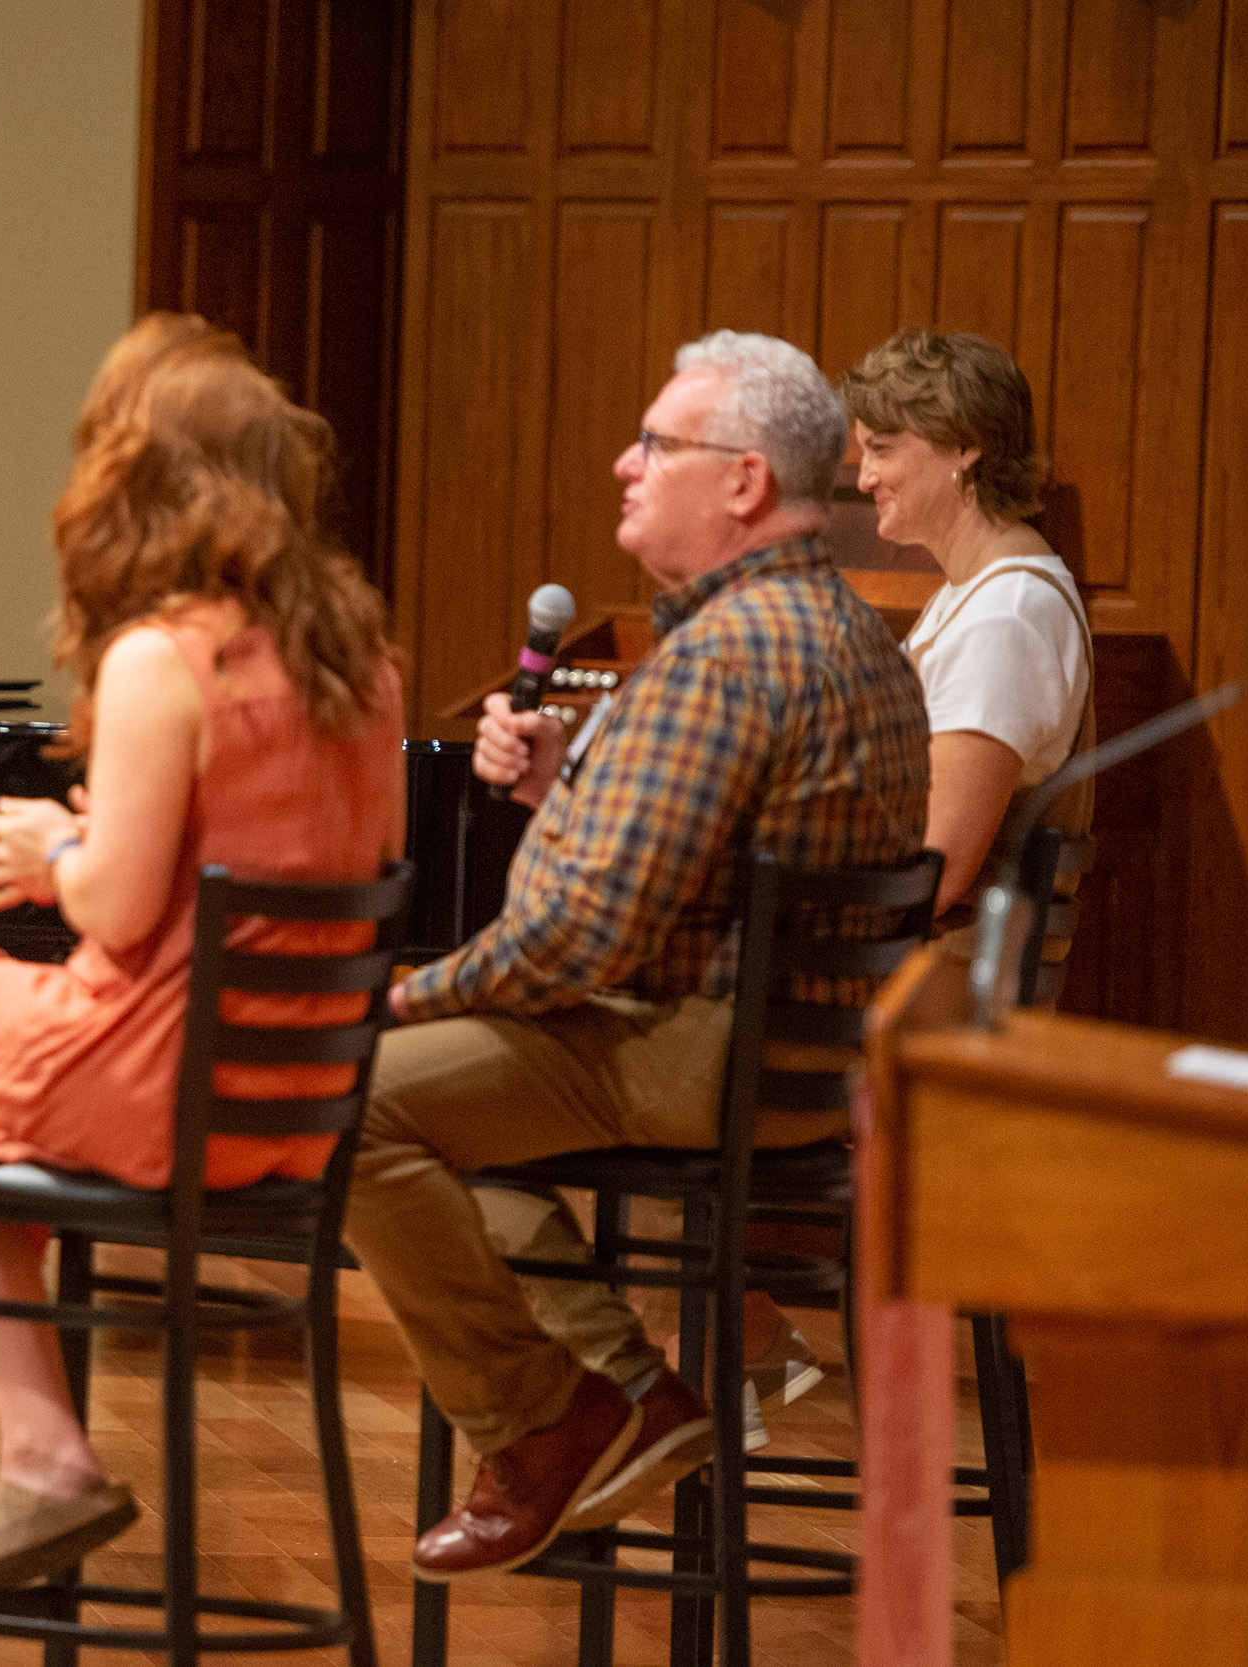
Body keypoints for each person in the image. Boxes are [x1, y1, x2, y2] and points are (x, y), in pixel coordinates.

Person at [0, 314, 406, 1594]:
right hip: (295, 1099)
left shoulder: (162, 658)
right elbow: (298, 868)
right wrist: (97, 837)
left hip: (156, 1081)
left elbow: (120, 913)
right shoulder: (365, 665)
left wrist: (55, 856)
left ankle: (21, 1410)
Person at [348, 331, 932, 1582]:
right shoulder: (847, 630)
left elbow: (579, 935)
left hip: (692, 1050)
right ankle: (619, 1389)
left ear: (743, 482)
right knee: (420, 1111)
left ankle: (550, 1418)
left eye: (658, 443)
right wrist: (579, 776)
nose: (626, 463)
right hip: (797, 1059)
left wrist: (398, 992)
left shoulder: (724, 655)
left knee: (343, 1096)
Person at [843, 327, 1094, 913]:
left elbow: (934, 875)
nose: (863, 478)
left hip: (923, 980)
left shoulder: (1004, 621)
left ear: (965, 447)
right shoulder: (973, 593)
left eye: (882, 449)